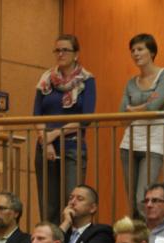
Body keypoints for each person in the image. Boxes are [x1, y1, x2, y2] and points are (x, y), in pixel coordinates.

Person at [33, 34, 96, 225]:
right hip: (45, 148)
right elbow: (36, 114)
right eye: (57, 50)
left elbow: (85, 118)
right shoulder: (45, 79)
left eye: (65, 50)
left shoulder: (87, 80)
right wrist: (47, 142)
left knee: (74, 204)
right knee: (48, 206)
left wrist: (53, 135)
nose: (60, 54)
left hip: (72, 147)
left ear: (76, 54)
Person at [119, 33, 164, 215]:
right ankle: (137, 241)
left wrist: (133, 109)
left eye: (140, 49)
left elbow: (154, 108)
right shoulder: (130, 82)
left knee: (143, 199)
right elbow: (121, 116)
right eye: (132, 50)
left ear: (152, 52)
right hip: (128, 144)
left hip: (154, 144)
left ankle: (149, 242)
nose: (135, 53)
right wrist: (143, 107)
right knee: (133, 204)